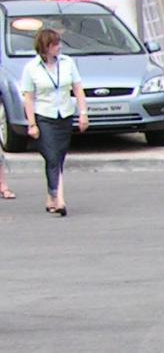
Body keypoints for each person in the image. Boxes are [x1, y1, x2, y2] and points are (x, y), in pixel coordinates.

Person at [20, 26, 86, 216]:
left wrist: (82, 113)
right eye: (55, 44)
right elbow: (29, 98)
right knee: (52, 157)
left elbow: (78, 89)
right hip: (44, 117)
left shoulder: (67, 63)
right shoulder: (31, 68)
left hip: (64, 115)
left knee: (59, 157)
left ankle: (51, 196)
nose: (59, 47)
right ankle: (60, 199)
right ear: (45, 46)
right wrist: (32, 124)